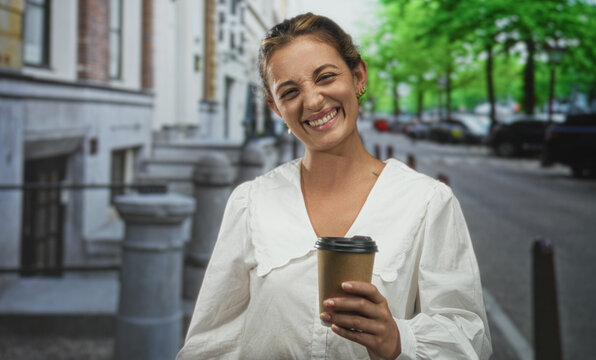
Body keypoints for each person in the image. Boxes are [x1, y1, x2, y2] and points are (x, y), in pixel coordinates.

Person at [177, 13, 492, 360]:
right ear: (275, 107)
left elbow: (466, 333)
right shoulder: (251, 202)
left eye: (325, 77)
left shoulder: (427, 202)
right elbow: (211, 342)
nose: (312, 101)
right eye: (291, 91)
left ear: (358, 76)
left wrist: (399, 339)